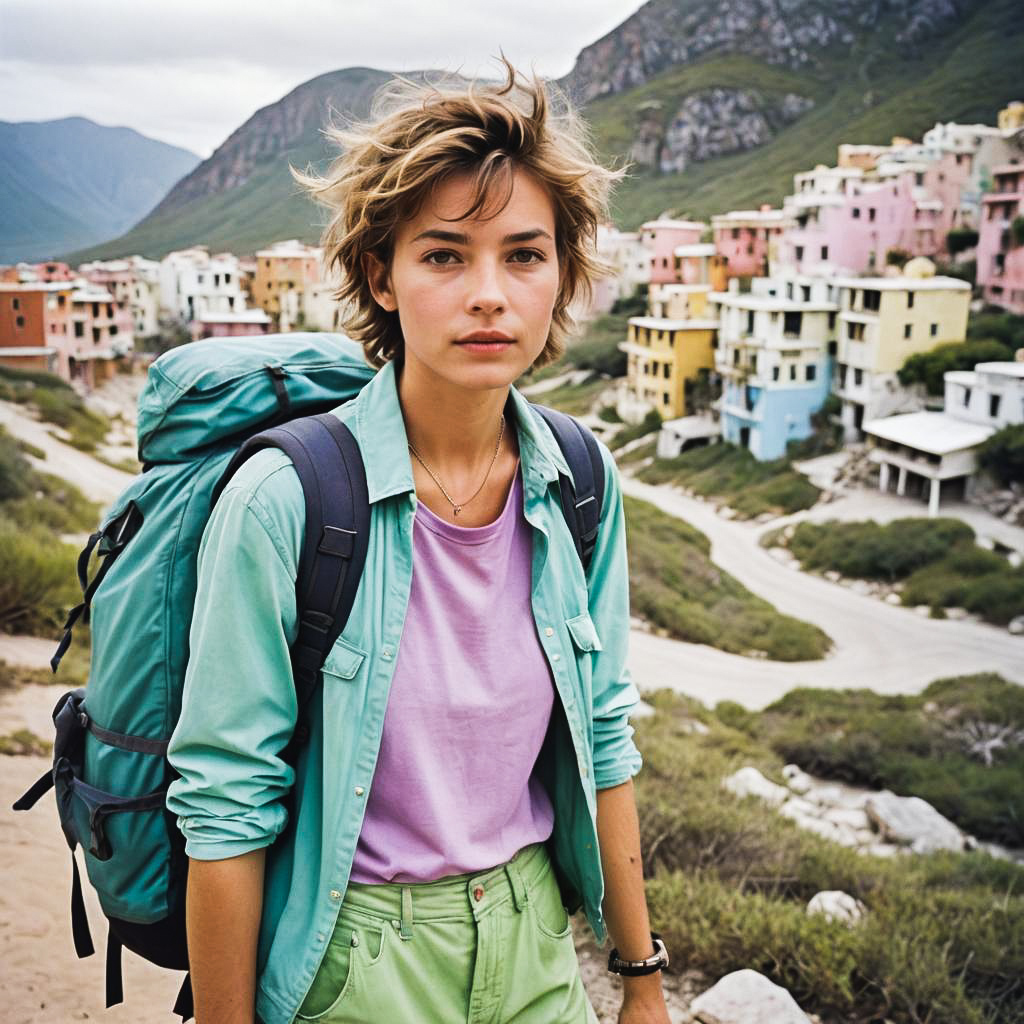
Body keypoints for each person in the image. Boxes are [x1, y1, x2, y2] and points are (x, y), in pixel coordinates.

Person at [166, 59, 672, 1024]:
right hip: (356, 958)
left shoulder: (580, 479)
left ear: (562, 275)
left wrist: (640, 977)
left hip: (536, 945)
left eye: (524, 255)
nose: (490, 294)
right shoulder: (286, 500)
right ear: (380, 277)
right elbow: (225, 803)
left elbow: (604, 736)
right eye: (444, 255)